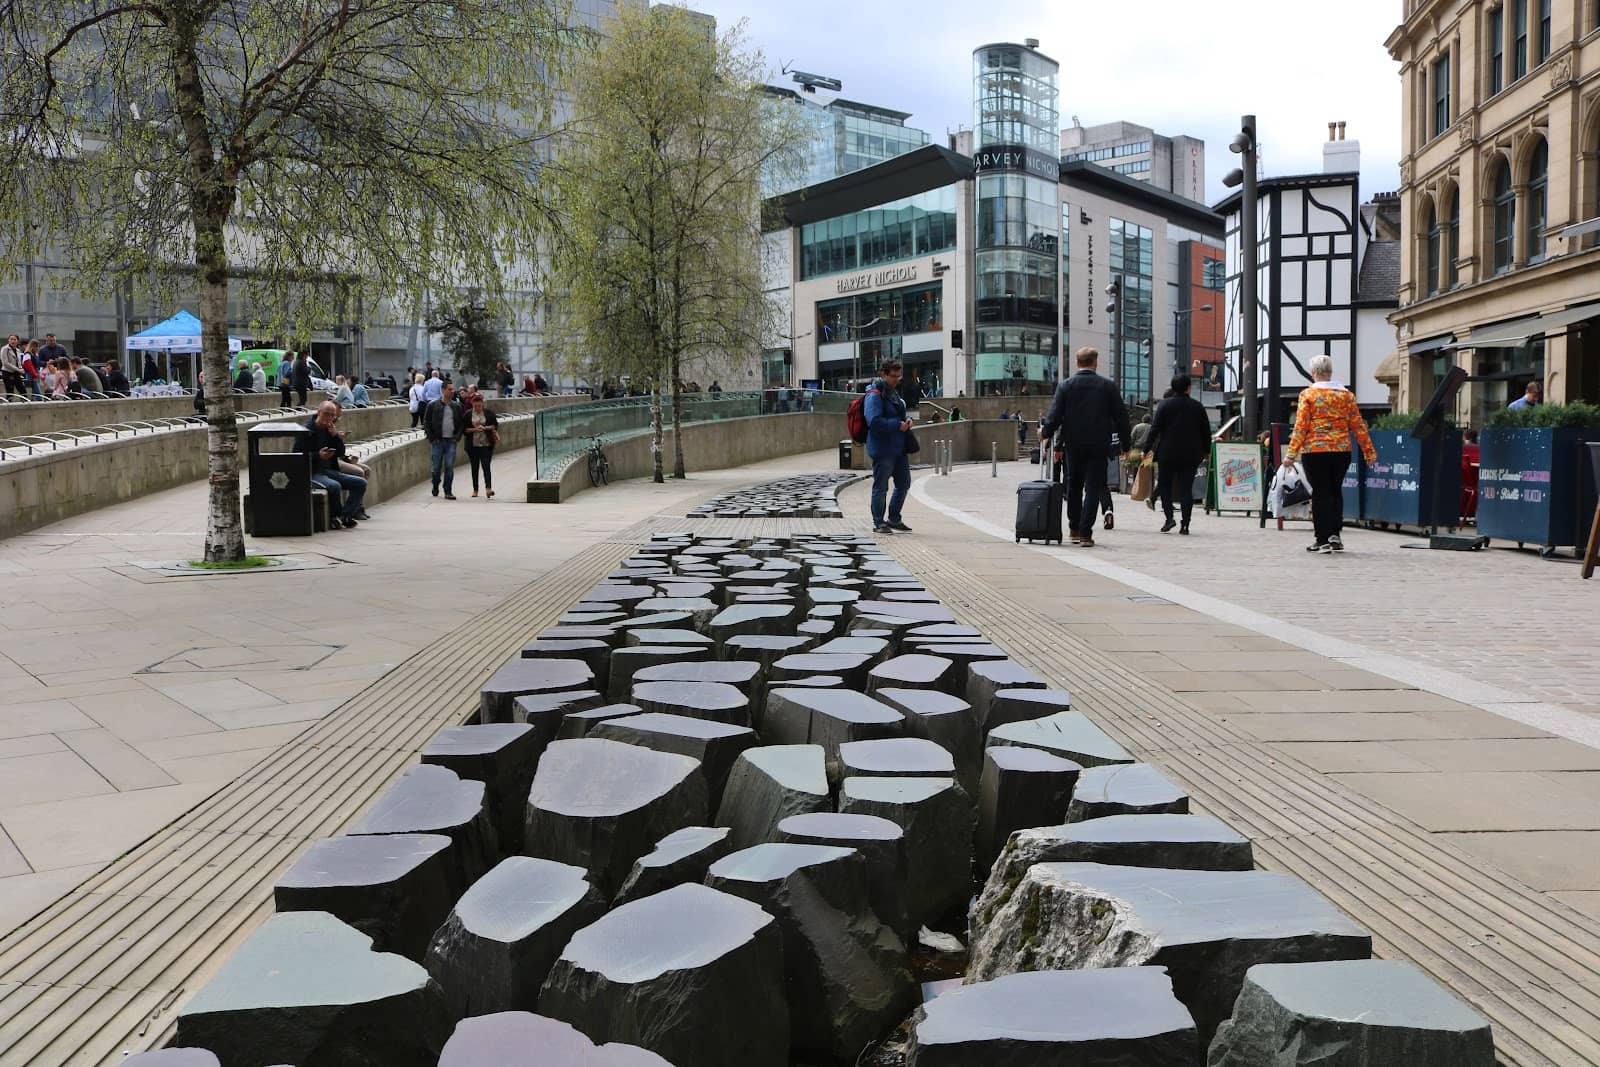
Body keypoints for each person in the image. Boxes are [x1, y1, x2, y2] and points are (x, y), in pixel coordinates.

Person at [1282, 353, 1377, 554]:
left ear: (1314, 372)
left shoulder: (1308, 395)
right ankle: (1335, 535)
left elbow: (1301, 426)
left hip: (1315, 450)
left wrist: (1291, 454)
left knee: (1320, 493)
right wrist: (1369, 452)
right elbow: (1358, 425)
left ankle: (1322, 539)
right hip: (1341, 450)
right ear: (1330, 372)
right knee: (1335, 490)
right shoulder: (1346, 396)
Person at [1040, 347, 1131, 547]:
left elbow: (1056, 416)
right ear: (1095, 362)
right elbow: (1122, 418)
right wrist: (1126, 446)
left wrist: (1046, 433)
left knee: (1074, 486)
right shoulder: (1107, 386)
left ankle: (1073, 527)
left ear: (1077, 362)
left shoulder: (1065, 386)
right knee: (1093, 487)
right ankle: (1085, 533)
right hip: (1099, 444)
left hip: (1074, 444)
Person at [1145, 374, 1211, 535]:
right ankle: (1185, 524)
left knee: (1164, 485)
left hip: (1167, 452)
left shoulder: (1164, 405)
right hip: (1191, 454)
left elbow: (1155, 429)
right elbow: (1206, 431)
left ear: (1173, 388)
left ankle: (1169, 518)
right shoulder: (1197, 406)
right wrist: (1207, 451)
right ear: (1189, 388)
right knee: (1186, 489)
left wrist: (1146, 449)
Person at [864, 359, 914, 535]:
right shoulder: (874, 395)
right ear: (883, 374)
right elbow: (874, 422)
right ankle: (879, 522)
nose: (896, 380)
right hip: (883, 449)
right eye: (893, 376)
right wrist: (897, 425)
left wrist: (908, 420)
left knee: (904, 483)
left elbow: (900, 413)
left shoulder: (893, 394)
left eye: (899, 376)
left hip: (898, 448)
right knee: (881, 487)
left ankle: (894, 518)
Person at [305, 401, 366, 528]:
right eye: (326, 414)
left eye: (332, 415)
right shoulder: (306, 430)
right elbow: (298, 454)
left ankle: (345, 516)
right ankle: (335, 517)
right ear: (318, 412)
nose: (329, 418)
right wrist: (318, 455)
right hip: (312, 472)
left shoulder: (329, 429)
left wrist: (335, 436)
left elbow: (340, 452)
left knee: (360, 483)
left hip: (329, 470)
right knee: (334, 486)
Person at [424, 381, 466, 499]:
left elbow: (461, 423)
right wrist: (432, 438)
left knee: (449, 466)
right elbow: (426, 422)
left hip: (451, 441)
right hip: (437, 441)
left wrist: (457, 437)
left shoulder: (457, 406)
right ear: (443, 390)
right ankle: (435, 484)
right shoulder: (432, 405)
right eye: (449, 389)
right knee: (436, 467)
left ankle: (448, 490)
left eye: (453, 389)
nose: (452, 392)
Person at [463, 392, 500, 498]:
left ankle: (488, 488)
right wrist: (475, 429)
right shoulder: (468, 414)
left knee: (486, 466)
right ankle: (475, 489)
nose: (478, 408)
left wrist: (486, 428)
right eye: (475, 406)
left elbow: (495, 425)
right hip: (472, 445)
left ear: (482, 404)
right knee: (474, 467)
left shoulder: (488, 413)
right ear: (472, 404)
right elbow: (464, 430)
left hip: (486, 444)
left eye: (479, 406)